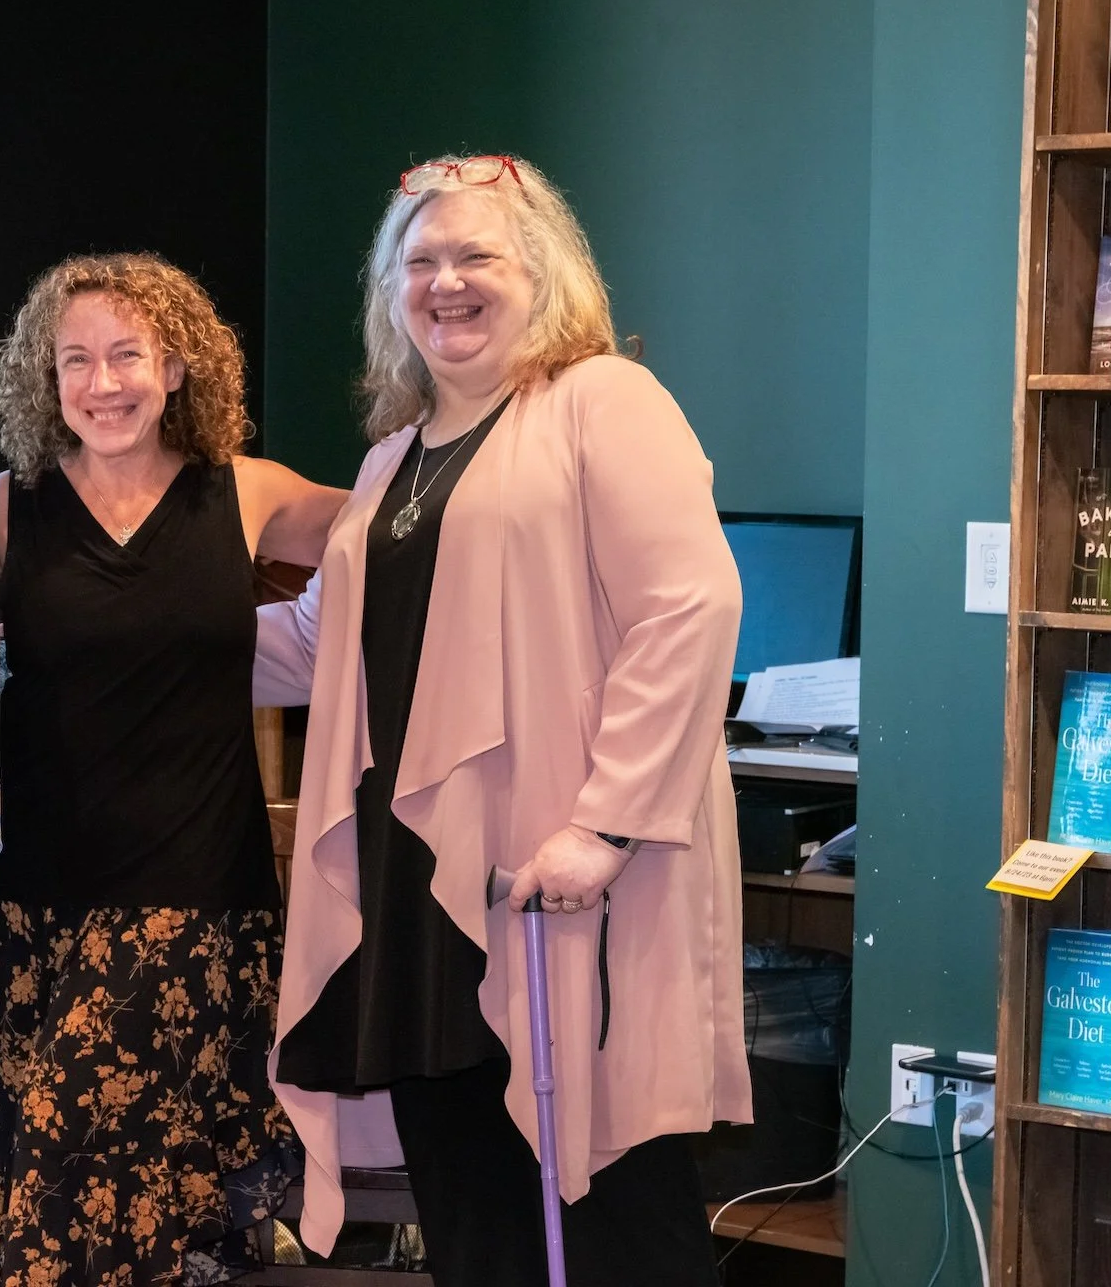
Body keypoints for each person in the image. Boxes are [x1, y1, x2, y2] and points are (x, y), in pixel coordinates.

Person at [253, 154, 751, 1287]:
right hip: (419, 893)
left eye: (476, 255)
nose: (446, 283)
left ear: (543, 273)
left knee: (614, 1220)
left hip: (555, 879)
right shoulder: (390, 462)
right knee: (475, 1225)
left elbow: (690, 604)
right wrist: (121, 636)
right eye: (417, 262)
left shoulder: (599, 401)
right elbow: (314, 650)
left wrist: (605, 826)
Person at [0, 252, 346, 1285]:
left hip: (196, 911)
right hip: (37, 918)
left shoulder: (246, 495)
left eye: (128, 353)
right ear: (46, 377)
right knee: (105, 1223)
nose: (103, 381)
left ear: (176, 368)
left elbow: (402, 525)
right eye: (74, 358)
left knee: (74, 1220)